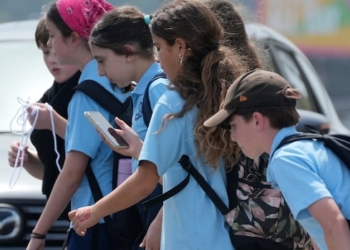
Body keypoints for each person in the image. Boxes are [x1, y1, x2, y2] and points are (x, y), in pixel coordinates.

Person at [69, 0, 247, 249]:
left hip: (190, 240)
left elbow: (144, 182)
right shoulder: (221, 94)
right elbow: (188, 174)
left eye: (159, 47)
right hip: (225, 238)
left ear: (181, 47)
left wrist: (94, 211)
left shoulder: (174, 102)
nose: (156, 58)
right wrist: (140, 150)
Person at [203, 69, 350, 250]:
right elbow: (318, 230)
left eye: (234, 126)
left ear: (257, 120)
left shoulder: (286, 160)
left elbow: (334, 224)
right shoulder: (306, 147)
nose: (232, 137)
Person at [25, 0, 130, 250]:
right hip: (123, 216)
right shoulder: (119, 81)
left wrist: (38, 234)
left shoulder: (84, 95)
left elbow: (71, 174)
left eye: (51, 36)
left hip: (94, 220)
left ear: (73, 38)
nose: (49, 45)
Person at [89, 6, 168, 249]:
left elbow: (181, 167)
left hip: (163, 208)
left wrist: (159, 223)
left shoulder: (158, 90)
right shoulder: (146, 89)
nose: (100, 72)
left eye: (102, 61)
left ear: (128, 52)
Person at [7, 16, 80, 221]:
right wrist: (28, 159)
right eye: (46, 52)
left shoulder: (90, 92)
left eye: (56, 52)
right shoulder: (50, 95)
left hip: (87, 211)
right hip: (59, 212)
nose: (51, 60)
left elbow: (102, 150)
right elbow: (52, 169)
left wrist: (55, 123)